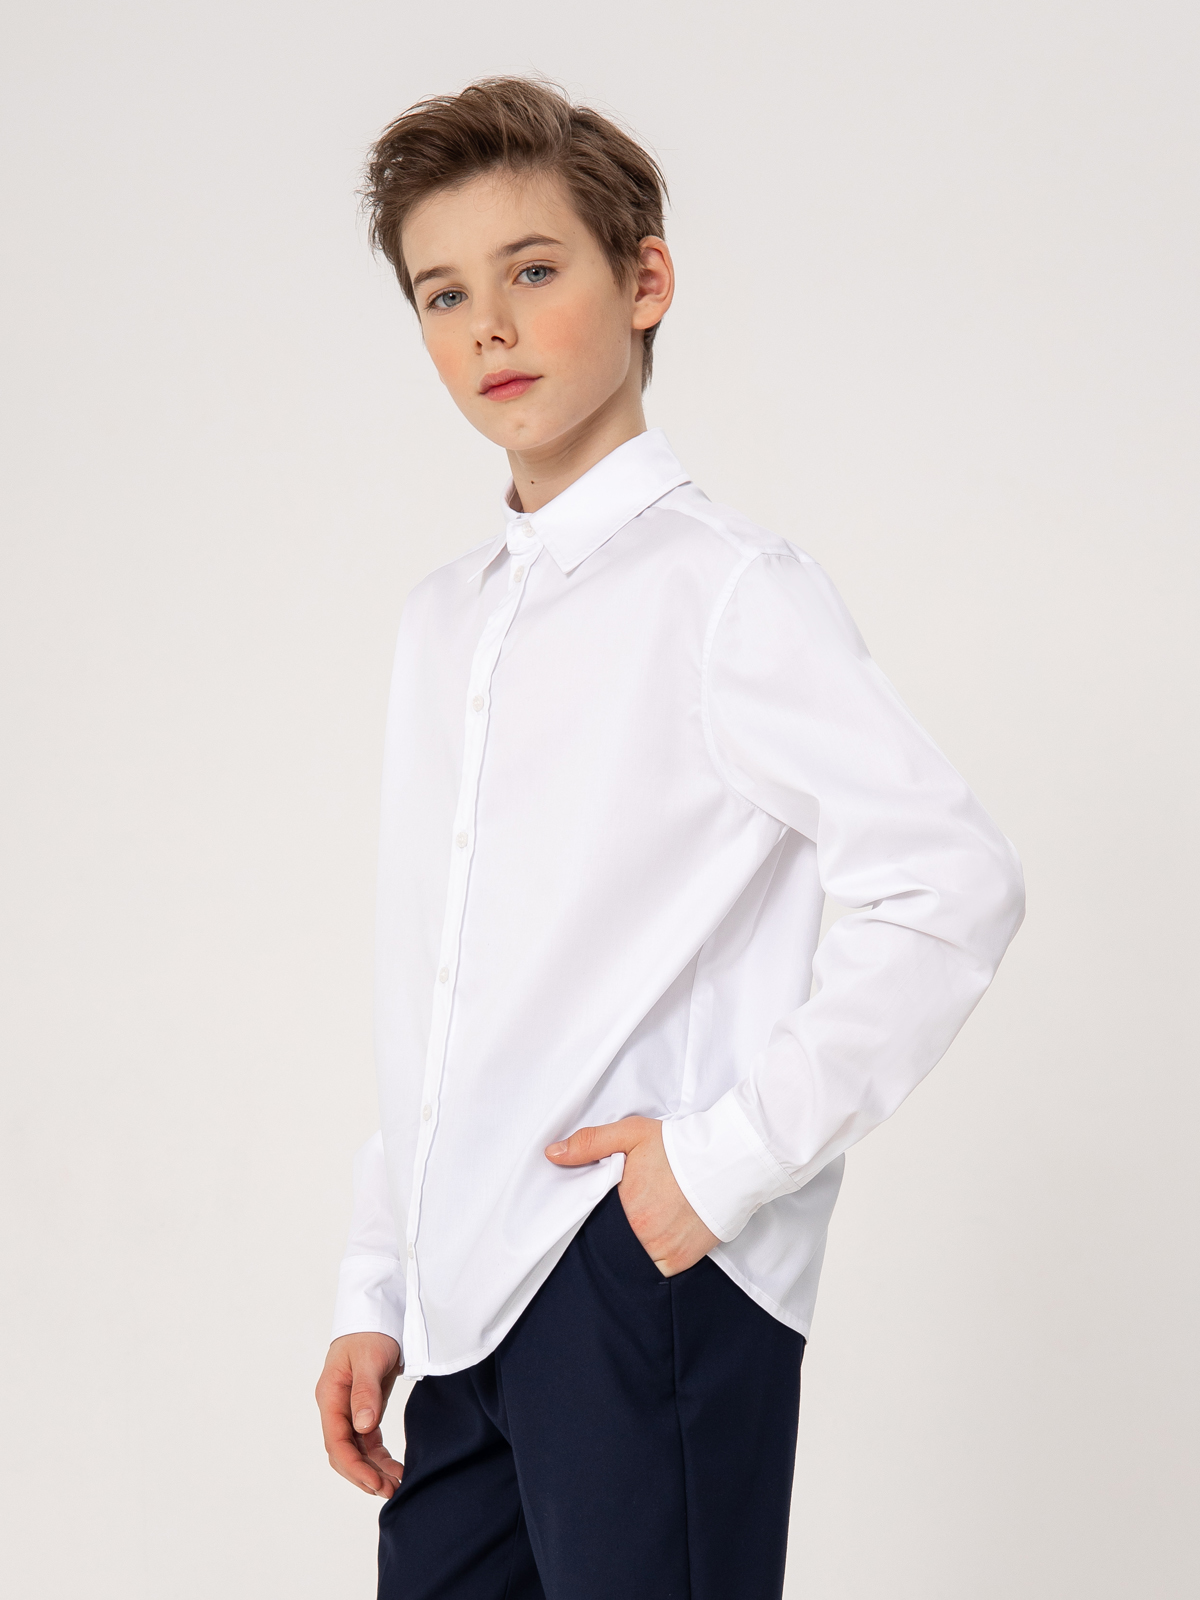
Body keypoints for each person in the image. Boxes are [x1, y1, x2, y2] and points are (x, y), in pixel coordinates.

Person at [314, 76, 1025, 1600]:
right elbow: (437, 990)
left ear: (645, 280)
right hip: (462, 1301)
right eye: (445, 293)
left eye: (533, 268)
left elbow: (951, 883)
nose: (491, 327)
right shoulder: (443, 624)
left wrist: (720, 1162)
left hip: (633, 1276)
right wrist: (379, 1279)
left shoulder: (727, 591)